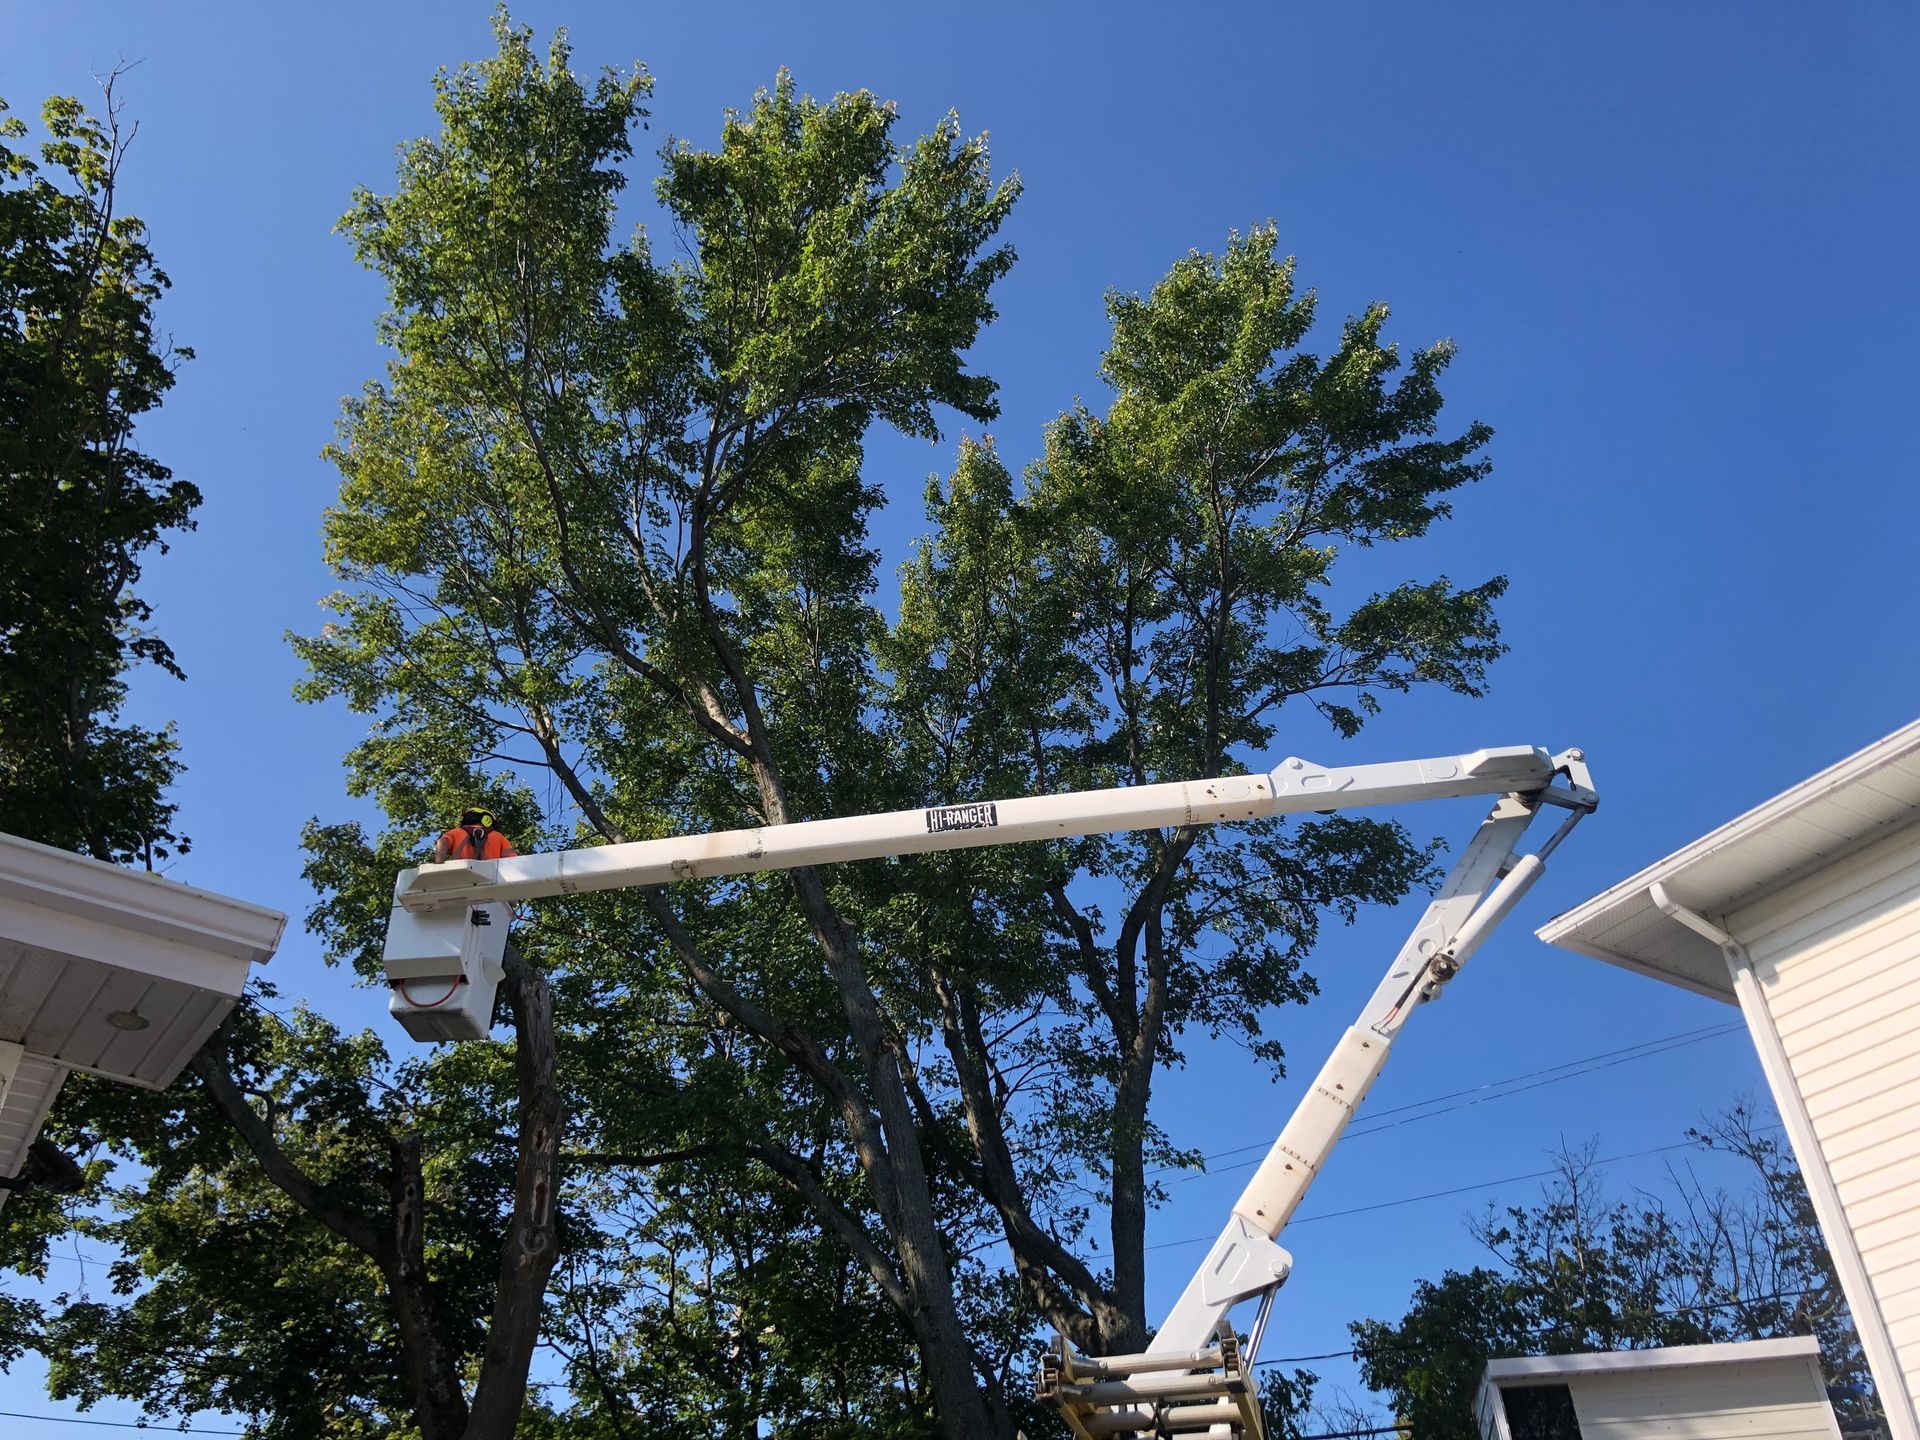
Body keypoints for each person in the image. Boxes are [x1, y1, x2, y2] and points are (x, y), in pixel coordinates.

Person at [432, 807, 518, 863]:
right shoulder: (498, 836)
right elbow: (513, 861)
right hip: (490, 877)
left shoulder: (457, 832)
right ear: (487, 820)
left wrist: (439, 867)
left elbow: (442, 842)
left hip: (459, 876)